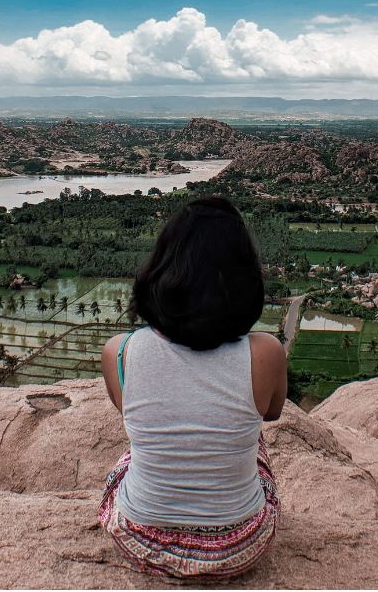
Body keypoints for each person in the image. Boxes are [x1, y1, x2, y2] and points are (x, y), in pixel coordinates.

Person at [97, 194, 287, 580]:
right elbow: (272, 412)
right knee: (254, 442)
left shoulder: (120, 352)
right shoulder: (266, 352)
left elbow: (128, 412)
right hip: (240, 545)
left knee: (133, 453)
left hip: (140, 539)